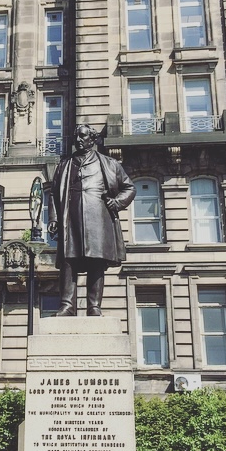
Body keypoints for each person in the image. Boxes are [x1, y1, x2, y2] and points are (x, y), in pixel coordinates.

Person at [48, 124, 136, 316]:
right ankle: (67, 305)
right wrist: (53, 218)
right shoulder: (64, 164)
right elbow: (54, 194)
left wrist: (118, 202)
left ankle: (94, 305)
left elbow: (129, 188)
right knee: (68, 260)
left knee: (96, 261)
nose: (78, 140)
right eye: (76, 136)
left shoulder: (109, 163)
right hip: (70, 218)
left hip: (98, 218)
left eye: (82, 136)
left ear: (92, 139)